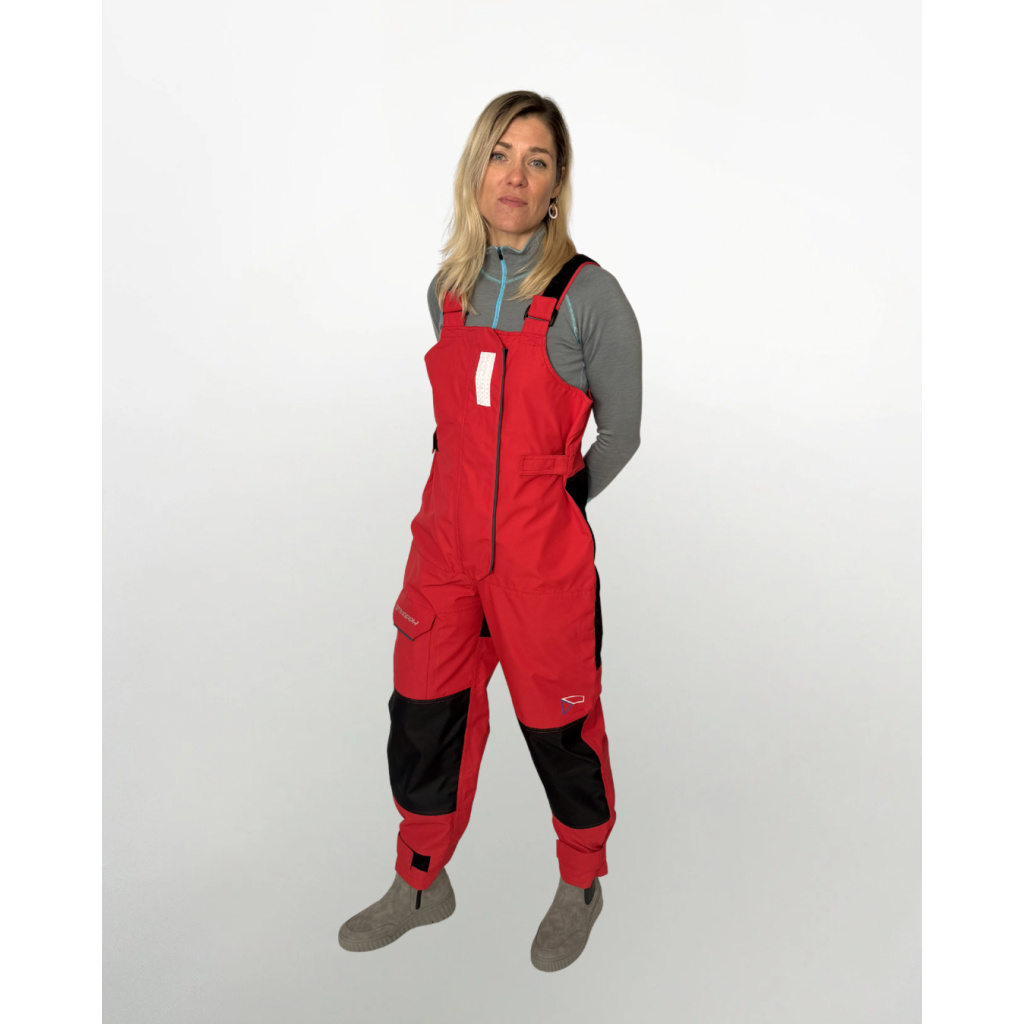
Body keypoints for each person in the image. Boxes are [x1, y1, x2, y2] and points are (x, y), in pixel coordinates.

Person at [338, 90, 642, 972]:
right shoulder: (448, 293)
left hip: (540, 564)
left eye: (536, 160)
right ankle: (421, 881)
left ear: (556, 185)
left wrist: (556, 507)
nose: (515, 175)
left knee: (561, 728)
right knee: (423, 716)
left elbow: (621, 434)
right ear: (476, 172)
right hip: (443, 551)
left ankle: (580, 881)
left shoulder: (589, 297)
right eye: (500, 155)